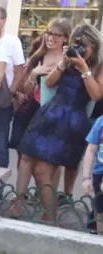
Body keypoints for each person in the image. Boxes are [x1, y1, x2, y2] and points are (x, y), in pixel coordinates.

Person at [13, 23, 103, 222]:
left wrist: (84, 68)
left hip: (71, 121)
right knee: (29, 157)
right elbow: (50, 82)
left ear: (94, 47)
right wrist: (64, 62)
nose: (79, 49)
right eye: (76, 44)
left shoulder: (98, 65)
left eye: (83, 45)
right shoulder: (68, 60)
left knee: (43, 169)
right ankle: (41, 212)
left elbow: (96, 94)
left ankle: (50, 217)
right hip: (51, 113)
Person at [0, 6, 26, 170]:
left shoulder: (13, 42)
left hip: (3, 102)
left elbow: (19, 72)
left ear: (3, 21)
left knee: (0, 146)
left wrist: (11, 92)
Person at [81, 115, 103, 235]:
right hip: (99, 173)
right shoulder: (101, 122)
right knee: (100, 211)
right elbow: (91, 150)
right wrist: (86, 178)